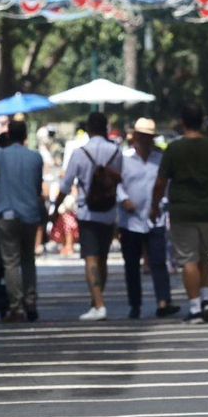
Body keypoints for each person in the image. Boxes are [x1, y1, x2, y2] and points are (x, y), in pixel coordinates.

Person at [152, 103, 208, 323]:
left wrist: (154, 204)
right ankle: (205, 299)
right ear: (202, 121)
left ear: (182, 122)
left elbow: (161, 181)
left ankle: (195, 308)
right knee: (204, 256)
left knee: (189, 260)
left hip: (183, 211)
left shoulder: (174, 149)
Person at [60, 113, 123, 321]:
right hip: (110, 212)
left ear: (88, 129)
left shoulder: (80, 153)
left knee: (91, 258)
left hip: (88, 211)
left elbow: (66, 184)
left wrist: (54, 210)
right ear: (105, 128)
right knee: (102, 258)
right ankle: (97, 299)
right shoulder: (116, 151)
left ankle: (99, 304)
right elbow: (120, 180)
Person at [118, 119, 176, 320]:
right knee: (131, 265)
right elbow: (116, 182)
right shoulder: (124, 158)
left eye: (148, 136)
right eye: (141, 135)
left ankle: (163, 301)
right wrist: (123, 199)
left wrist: (162, 204)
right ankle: (135, 304)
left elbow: (166, 184)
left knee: (159, 261)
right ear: (135, 136)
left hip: (155, 217)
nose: (144, 139)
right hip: (130, 220)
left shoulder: (160, 159)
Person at [0, 119, 46, 322]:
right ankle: (31, 302)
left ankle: (16, 306)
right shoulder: (36, 157)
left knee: (11, 262)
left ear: (9, 134)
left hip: (7, 212)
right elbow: (38, 187)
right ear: (25, 136)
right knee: (28, 258)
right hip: (30, 214)